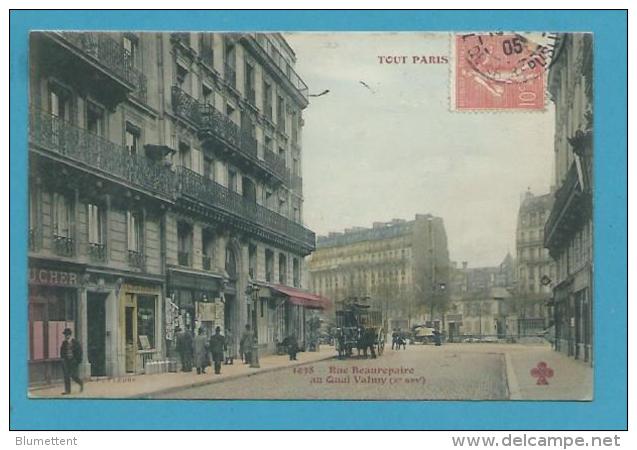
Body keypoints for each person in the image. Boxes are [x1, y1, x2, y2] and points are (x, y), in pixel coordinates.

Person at [60, 328, 83, 395]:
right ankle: (67, 391)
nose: (65, 336)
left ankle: (80, 383)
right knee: (66, 376)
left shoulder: (75, 342)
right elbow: (62, 352)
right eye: (65, 335)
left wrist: (77, 361)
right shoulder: (64, 343)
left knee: (73, 375)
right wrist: (62, 359)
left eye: (66, 335)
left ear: (70, 335)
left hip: (73, 361)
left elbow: (80, 352)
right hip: (66, 361)